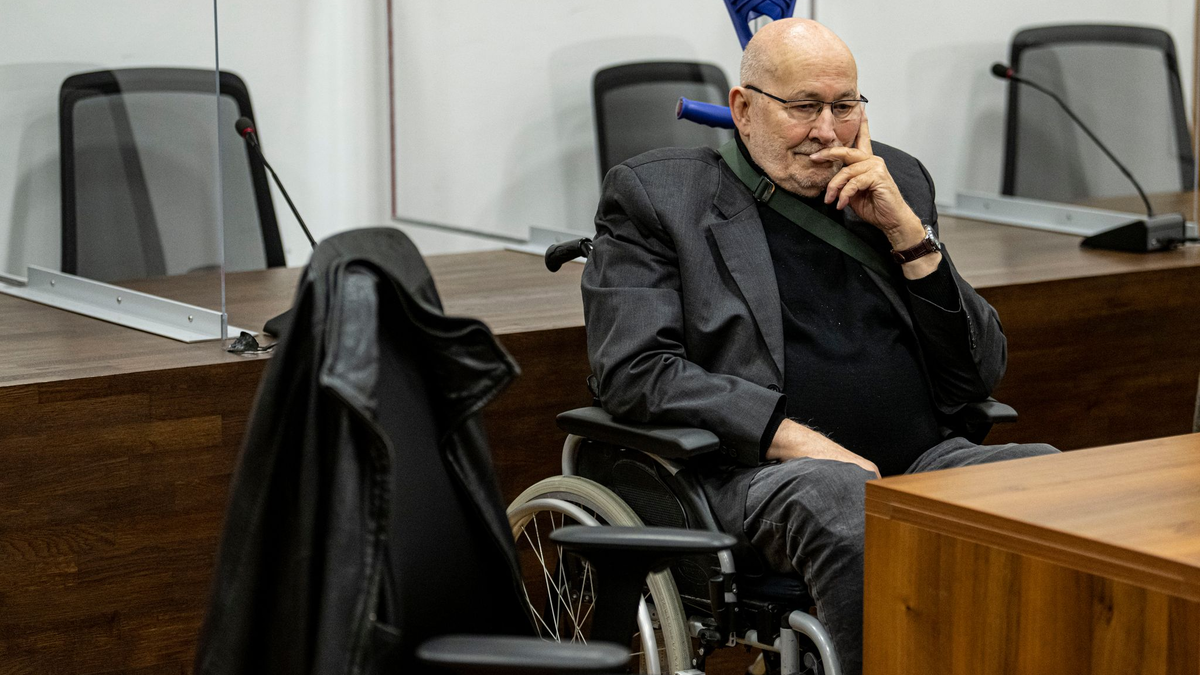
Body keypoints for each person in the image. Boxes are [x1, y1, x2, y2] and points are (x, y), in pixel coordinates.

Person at [580, 18, 1057, 675]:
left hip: (920, 461)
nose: (828, 131)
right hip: (750, 477)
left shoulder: (897, 181)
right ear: (743, 110)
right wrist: (789, 436)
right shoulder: (660, 197)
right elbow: (635, 371)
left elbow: (979, 373)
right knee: (842, 498)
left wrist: (908, 236)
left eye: (845, 105)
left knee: (1048, 480)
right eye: (804, 107)